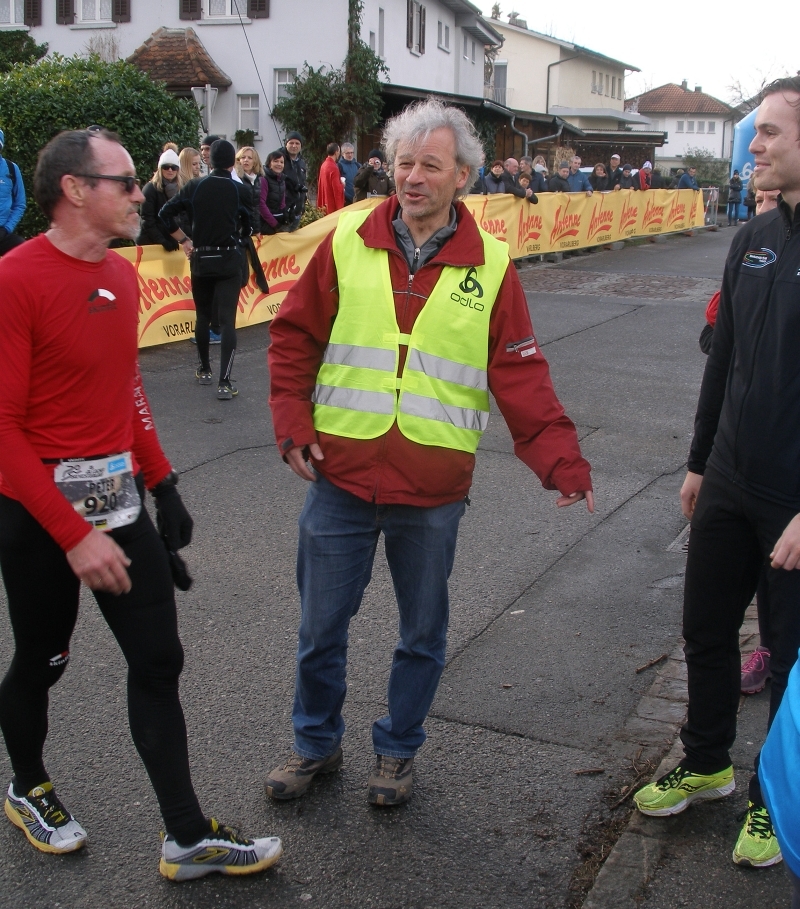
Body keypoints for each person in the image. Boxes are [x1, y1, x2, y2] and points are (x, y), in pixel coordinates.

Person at [265, 97, 593, 809]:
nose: (412, 178)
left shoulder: (492, 266)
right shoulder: (346, 240)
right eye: (404, 163)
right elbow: (293, 336)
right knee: (320, 629)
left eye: (430, 166)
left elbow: (521, 372)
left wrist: (561, 461)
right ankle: (315, 743)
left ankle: (397, 749)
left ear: (463, 177)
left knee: (421, 634)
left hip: (433, 488)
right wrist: (291, 421)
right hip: (340, 478)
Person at [0, 127, 281, 879]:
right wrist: (71, 535)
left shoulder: (121, 275)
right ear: (74, 190)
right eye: (124, 182)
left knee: (159, 658)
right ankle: (27, 785)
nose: (142, 194)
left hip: (117, 501)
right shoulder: (15, 279)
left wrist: (163, 486)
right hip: (37, 514)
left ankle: (186, 836)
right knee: (44, 659)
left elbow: (125, 389)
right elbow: (3, 430)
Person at [632, 76, 800, 870]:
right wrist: (700, 461)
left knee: (790, 662)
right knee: (705, 629)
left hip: (794, 500)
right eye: (754, 130)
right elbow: (723, 358)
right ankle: (705, 762)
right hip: (730, 475)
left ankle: (777, 799)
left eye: (768, 132)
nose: (752, 144)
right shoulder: (753, 238)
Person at [160, 139, 251, 401]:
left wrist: (184, 239)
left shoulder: (194, 186)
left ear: (209, 160)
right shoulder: (240, 190)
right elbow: (249, 226)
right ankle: (225, 382)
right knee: (227, 321)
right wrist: (238, 236)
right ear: (232, 162)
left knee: (202, 316)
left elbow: (164, 215)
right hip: (229, 259)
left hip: (201, 257)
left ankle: (204, 370)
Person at [136, 149, 183, 250]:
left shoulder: (180, 190)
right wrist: (162, 241)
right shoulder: (150, 189)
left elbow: (181, 217)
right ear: (160, 169)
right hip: (150, 244)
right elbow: (147, 220)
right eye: (166, 167)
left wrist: (180, 238)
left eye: (174, 167)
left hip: (170, 242)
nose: (170, 170)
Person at [0, 128, 26, 256]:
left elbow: (20, 204)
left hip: (2, 233)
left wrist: (6, 228)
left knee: (26, 253)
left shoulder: (11, 168)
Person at [280, 131, 308, 231]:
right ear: (286, 144)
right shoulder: (279, 160)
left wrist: (303, 204)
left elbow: (303, 182)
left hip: (296, 212)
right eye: (291, 143)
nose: (294, 146)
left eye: (297, 143)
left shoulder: (301, 162)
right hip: (283, 212)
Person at [235, 145, 264, 235]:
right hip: (241, 227)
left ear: (255, 161)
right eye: (243, 157)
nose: (246, 160)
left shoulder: (259, 179)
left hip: (255, 226)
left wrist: (257, 229)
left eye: (249, 158)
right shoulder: (236, 179)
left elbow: (257, 206)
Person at [259, 150, 288, 234]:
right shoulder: (263, 179)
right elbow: (261, 204)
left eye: (281, 162)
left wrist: (285, 216)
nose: (279, 164)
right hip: (264, 223)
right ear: (269, 163)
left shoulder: (282, 180)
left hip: (276, 220)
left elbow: (282, 203)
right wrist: (275, 224)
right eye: (276, 161)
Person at [316, 142, 345, 215]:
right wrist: (342, 185)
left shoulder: (324, 165)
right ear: (336, 152)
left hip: (324, 202)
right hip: (331, 204)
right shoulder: (333, 167)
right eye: (339, 151)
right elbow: (336, 189)